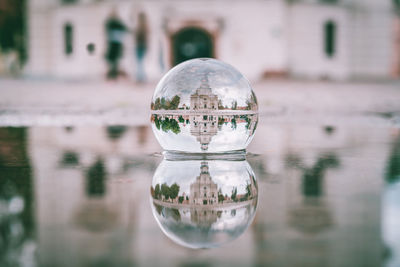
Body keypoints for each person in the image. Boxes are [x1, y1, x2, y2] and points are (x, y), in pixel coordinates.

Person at [105, 10, 127, 79]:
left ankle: (113, 75)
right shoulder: (115, 23)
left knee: (114, 61)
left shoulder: (111, 23)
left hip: (114, 45)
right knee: (114, 61)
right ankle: (113, 75)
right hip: (115, 45)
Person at [134, 12, 148, 83]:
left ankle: (140, 77)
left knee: (139, 62)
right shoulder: (145, 26)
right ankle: (141, 77)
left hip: (139, 46)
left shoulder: (139, 27)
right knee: (141, 62)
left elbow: (137, 38)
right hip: (142, 46)